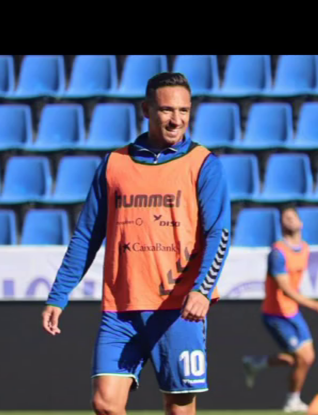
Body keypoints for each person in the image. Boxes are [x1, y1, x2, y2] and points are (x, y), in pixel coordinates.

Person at [41, 72, 231, 415]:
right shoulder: (115, 164)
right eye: (167, 110)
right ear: (146, 109)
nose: (177, 120)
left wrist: (203, 289)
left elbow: (220, 234)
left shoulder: (203, 164)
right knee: (105, 404)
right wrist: (59, 294)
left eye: (184, 111)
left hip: (178, 311)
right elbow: (87, 235)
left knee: (178, 410)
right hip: (121, 309)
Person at [241, 207, 318, 413]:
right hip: (276, 314)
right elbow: (285, 289)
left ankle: (257, 363)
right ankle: (292, 400)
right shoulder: (277, 253)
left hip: (292, 312)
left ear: (301, 223)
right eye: (285, 218)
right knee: (303, 358)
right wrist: (316, 305)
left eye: (292, 217)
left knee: (303, 358)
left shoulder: (304, 248)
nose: (289, 220)